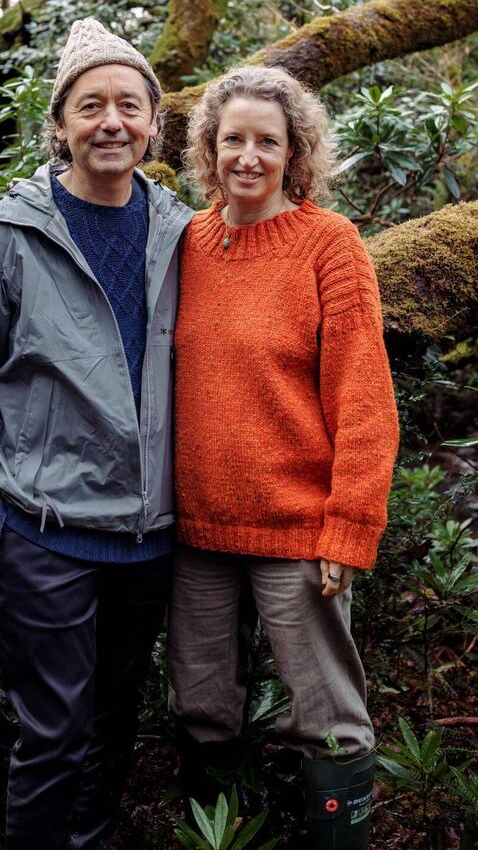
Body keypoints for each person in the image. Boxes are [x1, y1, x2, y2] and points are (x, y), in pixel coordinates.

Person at [0, 18, 193, 850]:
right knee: (52, 738)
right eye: (89, 106)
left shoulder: (186, 235)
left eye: (127, 104)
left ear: (155, 123)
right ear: (61, 126)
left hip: (149, 539)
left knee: (114, 729)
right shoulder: (3, 235)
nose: (110, 122)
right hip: (42, 535)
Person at [168, 65, 399, 850]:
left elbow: (364, 396)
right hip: (194, 529)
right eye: (233, 138)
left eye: (268, 141)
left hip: (299, 530)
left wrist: (349, 525)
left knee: (326, 714)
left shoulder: (331, 247)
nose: (248, 156)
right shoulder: (185, 242)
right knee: (201, 706)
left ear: (296, 151)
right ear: (209, 146)